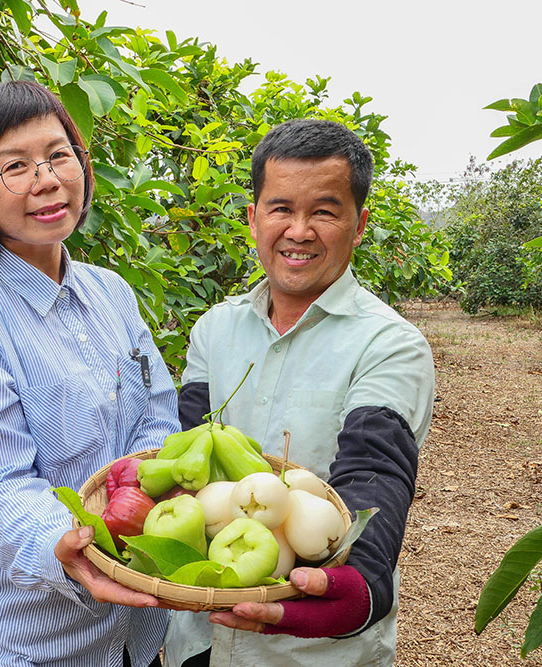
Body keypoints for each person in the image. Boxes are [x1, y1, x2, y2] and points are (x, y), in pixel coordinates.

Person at [0, 80, 179, 667]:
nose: (47, 179)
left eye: (59, 155)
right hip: (25, 645)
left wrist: (146, 506)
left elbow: (156, 417)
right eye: (15, 166)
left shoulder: (112, 293)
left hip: (133, 637)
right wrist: (75, 544)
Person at [164, 119, 435, 666]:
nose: (299, 231)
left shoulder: (390, 344)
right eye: (281, 208)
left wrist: (362, 582)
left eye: (325, 212)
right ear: (253, 218)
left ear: (359, 225)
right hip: (200, 633)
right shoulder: (214, 329)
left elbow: (375, 467)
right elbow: (187, 444)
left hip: (309, 651)